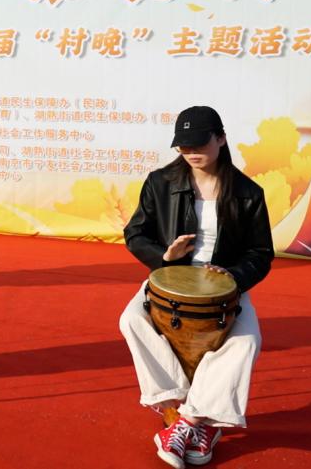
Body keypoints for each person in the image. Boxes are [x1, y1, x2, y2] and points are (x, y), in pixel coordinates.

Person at [118, 106, 273, 468]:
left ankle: (188, 422)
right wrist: (165, 257)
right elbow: (135, 233)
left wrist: (234, 276)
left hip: (223, 288)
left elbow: (261, 253)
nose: (190, 152)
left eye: (199, 143)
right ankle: (179, 402)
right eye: (183, 145)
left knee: (247, 342)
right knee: (131, 319)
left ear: (221, 139)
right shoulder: (161, 182)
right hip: (170, 280)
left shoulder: (248, 192)